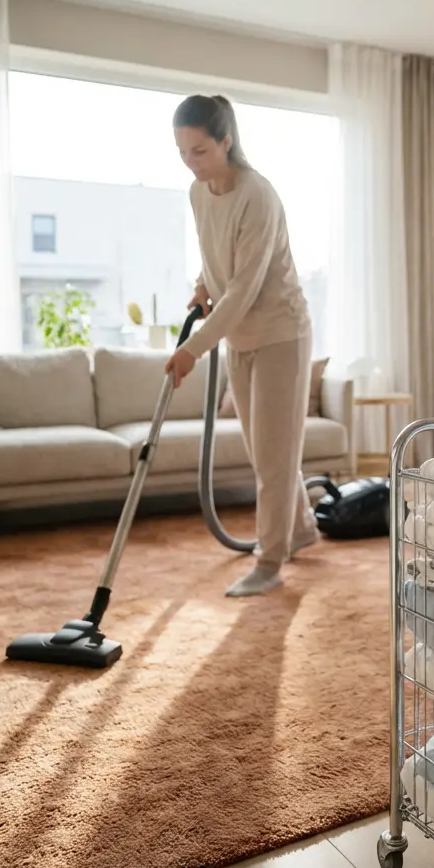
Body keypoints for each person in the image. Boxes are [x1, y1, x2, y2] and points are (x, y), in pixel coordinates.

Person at [167, 94, 318, 597]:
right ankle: (299, 531)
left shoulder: (259, 195)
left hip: (281, 334)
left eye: (200, 151)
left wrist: (192, 348)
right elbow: (219, 257)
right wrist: (201, 284)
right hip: (241, 336)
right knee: (267, 454)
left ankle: (269, 562)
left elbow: (247, 284)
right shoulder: (197, 191)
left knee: (274, 458)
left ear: (226, 141)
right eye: (183, 152)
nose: (191, 162)